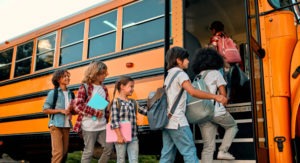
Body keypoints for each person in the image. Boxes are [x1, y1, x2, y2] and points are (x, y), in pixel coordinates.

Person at [160, 46, 228, 163]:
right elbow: (193, 92)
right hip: (178, 122)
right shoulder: (181, 74)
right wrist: (215, 96)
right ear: (178, 60)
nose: (188, 61)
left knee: (167, 156)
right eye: (186, 58)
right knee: (190, 152)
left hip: (167, 121)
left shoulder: (169, 76)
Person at [192, 48, 238, 162]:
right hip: (215, 112)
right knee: (232, 126)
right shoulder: (216, 73)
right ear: (215, 60)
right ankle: (223, 151)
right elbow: (223, 97)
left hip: (202, 114)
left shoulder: (198, 76)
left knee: (208, 147)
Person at [73, 61, 113, 163]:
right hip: (89, 126)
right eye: (103, 73)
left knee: (109, 147)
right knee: (89, 151)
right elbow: (78, 106)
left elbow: (106, 105)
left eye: (105, 73)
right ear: (95, 73)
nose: (105, 75)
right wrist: (95, 112)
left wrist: (110, 108)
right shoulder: (85, 87)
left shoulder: (104, 88)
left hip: (102, 124)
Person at [110, 76, 148, 163]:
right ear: (122, 87)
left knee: (134, 160)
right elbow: (114, 121)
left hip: (133, 136)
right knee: (121, 160)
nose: (132, 89)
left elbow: (144, 111)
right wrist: (119, 136)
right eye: (131, 86)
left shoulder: (133, 102)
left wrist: (157, 112)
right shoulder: (116, 102)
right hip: (121, 137)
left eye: (133, 87)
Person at [43, 69, 74, 163]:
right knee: (58, 153)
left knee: (64, 153)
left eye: (68, 76)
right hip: (55, 125)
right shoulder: (53, 93)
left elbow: (72, 109)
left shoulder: (71, 93)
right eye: (64, 76)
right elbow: (45, 109)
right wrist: (61, 110)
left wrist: (72, 111)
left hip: (66, 125)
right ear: (58, 79)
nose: (67, 78)